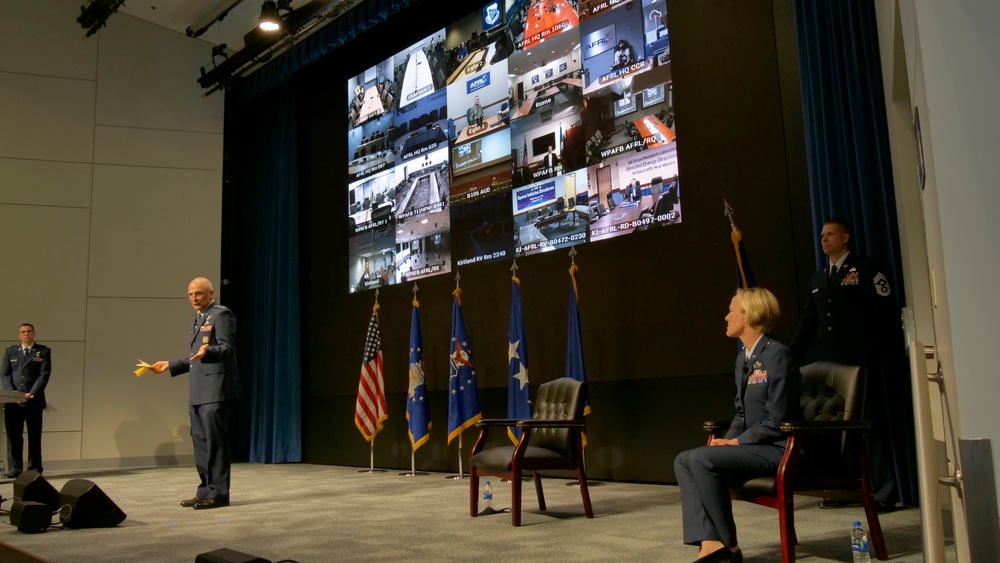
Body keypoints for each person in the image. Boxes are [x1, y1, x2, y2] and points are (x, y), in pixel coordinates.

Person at [674, 288, 799, 563]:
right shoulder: (743, 358)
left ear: (749, 314)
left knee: (700, 459)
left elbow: (776, 420)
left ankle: (726, 547)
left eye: (732, 310)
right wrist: (725, 441)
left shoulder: (778, 355)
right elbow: (741, 415)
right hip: (752, 449)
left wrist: (734, 443)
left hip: (777, 449)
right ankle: (711, 543)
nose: (726, 316)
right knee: (684, 460)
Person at [788, 218, 901, 511]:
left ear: (845, 237)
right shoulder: (818, 279)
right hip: (831, 367)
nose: (824, 239)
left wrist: (886, 356)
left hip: (861, 363)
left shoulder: (866, 269)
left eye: (830, 234)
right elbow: (809, 323)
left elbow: (886, 315)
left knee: (869, 427)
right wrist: (789, 355)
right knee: (836, 430)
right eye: (822, 235)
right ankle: (843, 488)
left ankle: (885, 492)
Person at [150, 278, 240, 510]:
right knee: (200, 443)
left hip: (215, 389)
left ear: (210, 293)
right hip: (198, 390)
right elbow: (194, 359)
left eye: (199, 294)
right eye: (190, 295)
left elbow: (226, 349)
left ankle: (219, 493)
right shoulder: (196, 320)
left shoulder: (221, 314)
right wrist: (170, 364)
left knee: (216, 442)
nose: (194, 298)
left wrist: (208, 351)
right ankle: (205, 490)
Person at [1, 323, 51, 478]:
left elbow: (44, 375)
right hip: (13, 403)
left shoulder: (42, 351)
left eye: (29, 331)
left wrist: (31, 394)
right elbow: (5, 374)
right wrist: (13, 394)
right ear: (19, 335)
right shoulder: (10, 351)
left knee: (34, 437)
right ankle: (15, 469)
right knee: (14, 437)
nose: (26, 334)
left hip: (33, 401)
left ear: (34, 333)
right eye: (23, 332)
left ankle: (34, 469)